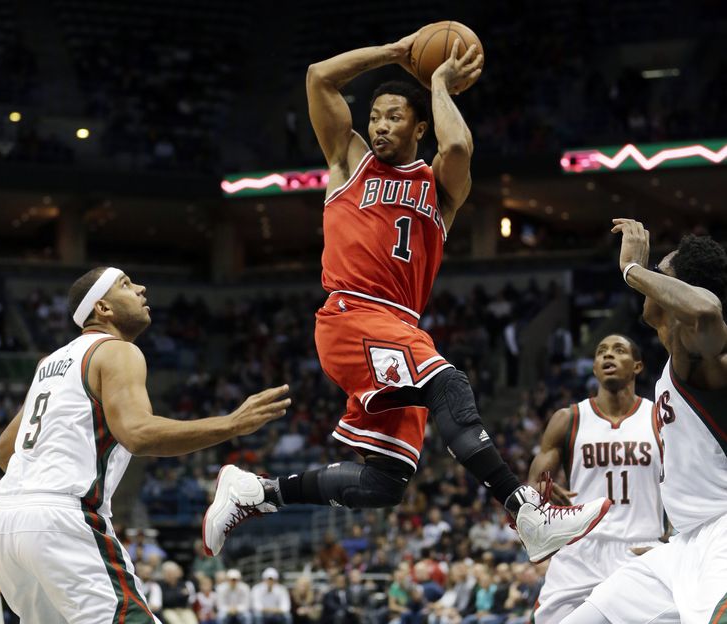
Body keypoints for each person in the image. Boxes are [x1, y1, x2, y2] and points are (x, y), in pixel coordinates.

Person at [203, 29, 609, 565]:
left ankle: (257, 492)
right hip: (351, 313)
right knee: (449, 383)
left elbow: (459, 145)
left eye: (394, 116)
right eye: (374, 116)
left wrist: (439, 83)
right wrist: (398, 53)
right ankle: (526, 513)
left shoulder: (438, 185)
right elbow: (319, 76)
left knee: (384, 482)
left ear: (420, 126)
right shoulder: (349, 160)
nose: (379, 126)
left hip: (398, 326)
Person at [0, 267, 290, 623]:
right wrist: (232, 424)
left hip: (5, 523)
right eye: (126, 285)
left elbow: (3, 452)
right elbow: (138, 434)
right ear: (103, 308)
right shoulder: (116, 351)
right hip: (62, 519)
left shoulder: (48, 363)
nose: (142, 289)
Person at [562, 226, 727, 623]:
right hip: (683, 546)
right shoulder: (673, 365)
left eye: (659, 273)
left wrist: (631, 269)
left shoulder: (705, 362)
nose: (649, 283)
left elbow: (706, 310)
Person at [529, 335, 664, 623]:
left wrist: (673, 543)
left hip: (641, 546)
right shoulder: (568, 418)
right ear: (594, 368)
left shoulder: (658, 418)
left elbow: (686, 485)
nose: (608, 356)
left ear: (637, 366)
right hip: (580, 548)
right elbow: (533, 486)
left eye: (618, 350)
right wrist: (543, 491)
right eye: (601, 352)